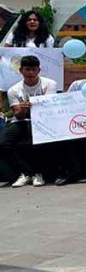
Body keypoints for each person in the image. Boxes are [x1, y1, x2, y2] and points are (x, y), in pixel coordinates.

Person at [0, 56, 58, 187]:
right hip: (21, 121)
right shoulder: (14, 90)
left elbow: (49, 107)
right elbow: (18, 115)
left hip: (44, 120)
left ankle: (38, 173)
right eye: (27, 69)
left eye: (33, 69)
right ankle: (26, 172)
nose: (30, 73)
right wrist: (24, 110)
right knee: (3, 143)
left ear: (39, 70)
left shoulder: (50, 84)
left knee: (39, 138)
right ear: (21, 70)